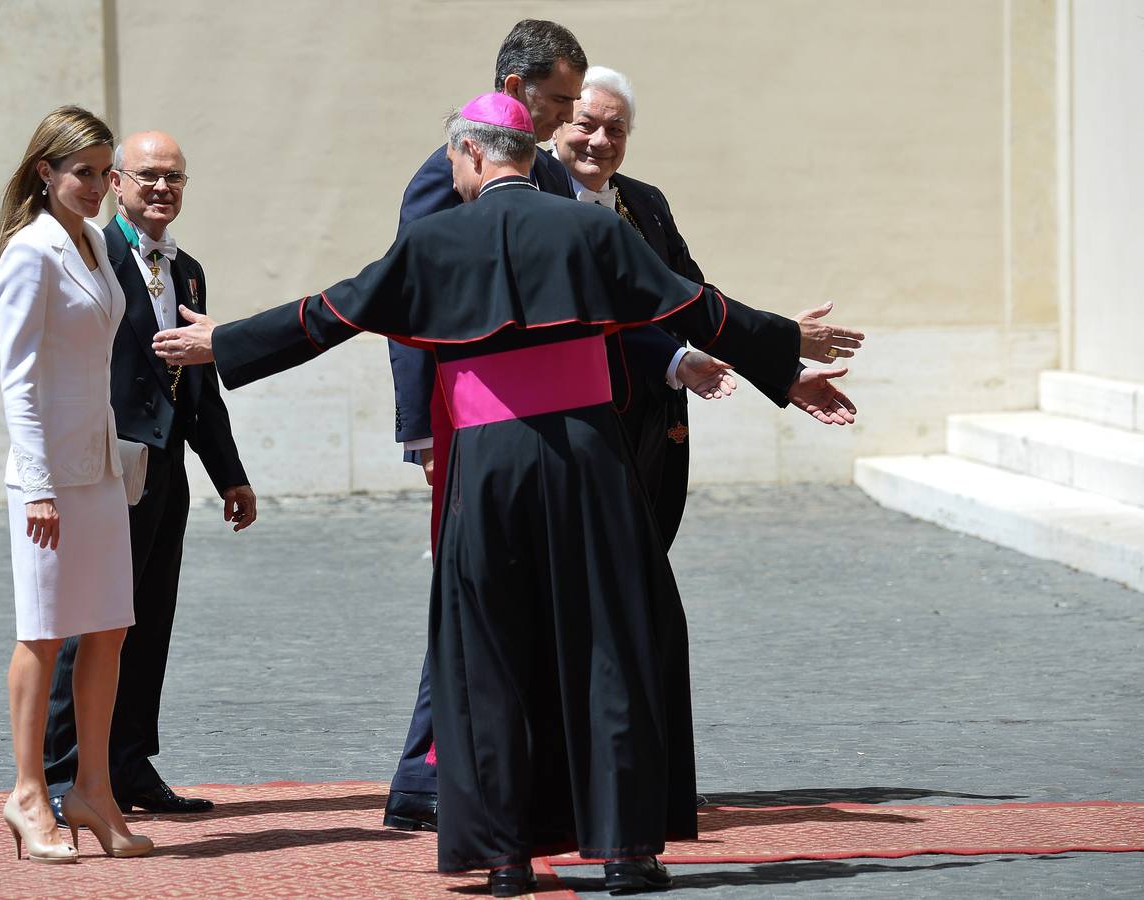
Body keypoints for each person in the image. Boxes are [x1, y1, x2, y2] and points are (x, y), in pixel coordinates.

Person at [154, 93, 856, 896]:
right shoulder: (593, 228)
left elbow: (332, 311)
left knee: (486, 649)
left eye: (452, 160)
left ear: (471, 154)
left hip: (486, 466)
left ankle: (505, 856)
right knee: (614, 640)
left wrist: (226, 342)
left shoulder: (435, 238)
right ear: (529, 152)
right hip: (589, 459)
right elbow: (698, 307)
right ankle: (627, 851)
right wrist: (783, 357)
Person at [382, 19, 733, 834]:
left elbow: (639, 302)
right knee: (474, 607)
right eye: (563, 102)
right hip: (477, 422)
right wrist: (423, 434)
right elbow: (406, 305)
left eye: (591, 109)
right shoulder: (453, 172)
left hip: (561, 427)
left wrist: (761, 349)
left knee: (518, 608)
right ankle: (426, 779)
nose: (574, 119)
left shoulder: (546, 175)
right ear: (515, 94)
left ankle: (511, 787)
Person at [554, 65, 867, 546]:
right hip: (576, 427)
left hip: (657, 424)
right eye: (586, 124)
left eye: (616, 130)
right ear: (557, 124)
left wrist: (783, 370)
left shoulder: (645, 201)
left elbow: (694, 299)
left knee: (646, 570)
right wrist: (782, 335)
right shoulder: (533, 202)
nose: (600, 141)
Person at [44, 132, 256, 819]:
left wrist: (230, 475)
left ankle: (129, 767)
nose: (162, 188)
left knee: (146, 619)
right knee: (90, 622)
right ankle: (62, 773)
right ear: (116, 184)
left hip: (163, 470)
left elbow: (200, 387)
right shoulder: (89, 253)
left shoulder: (188, 269)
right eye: (148, 176)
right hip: (106, 462)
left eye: (175, 177)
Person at [0, 105, 152, 861]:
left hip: (98, 468)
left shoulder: (94, 242)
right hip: (48, 476)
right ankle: (28, 793)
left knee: (111, 628)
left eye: (102, 170)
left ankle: (92, 788)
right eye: (82, 172)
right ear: (45, 174)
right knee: (44, 633)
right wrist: (39, 485)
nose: (97, 185)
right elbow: (17, 382)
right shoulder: (30, 252)